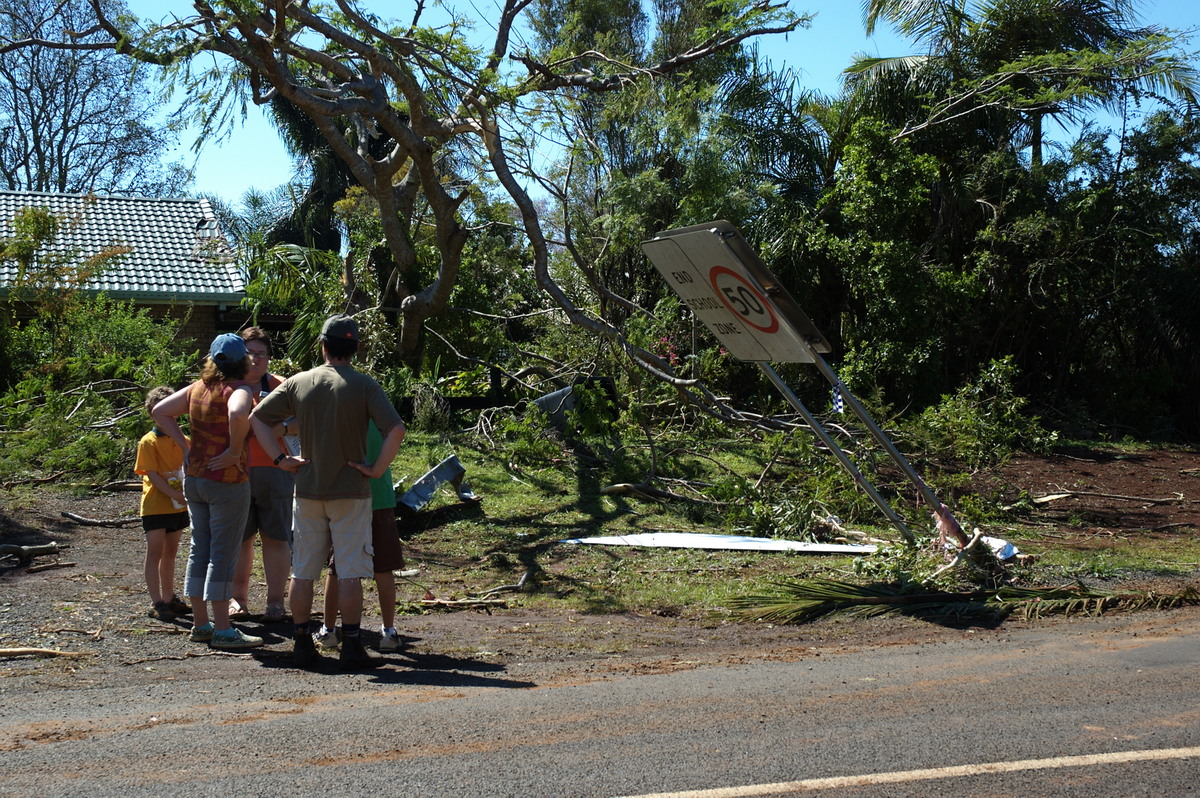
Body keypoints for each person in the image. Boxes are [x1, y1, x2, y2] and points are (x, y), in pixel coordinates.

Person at [250, 313, 405, 669]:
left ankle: (303, 642)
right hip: (352, 492)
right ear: (355, 348)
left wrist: (280, 458)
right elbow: (395, 428)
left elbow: (258, 418)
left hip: (307, 489)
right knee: (350, 571)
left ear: (323, 347)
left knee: (303, 571)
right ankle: (352, 644)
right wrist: (376, 469)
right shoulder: (365, 385)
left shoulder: (299, 382)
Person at [153, 333, 263, 650]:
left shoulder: (198, 389)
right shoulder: (238, 389)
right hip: (228, 482)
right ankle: (224, 629)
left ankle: (201, 625)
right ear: (242, 360)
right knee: (222, 554)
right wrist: (233, 449)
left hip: (196, 480)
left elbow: (160, 411)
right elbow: (239, 413)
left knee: (200, 549)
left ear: (213, 360)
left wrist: (185, 445)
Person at [315, 420, 413, 653]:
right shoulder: (380, 413)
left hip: (345, 498)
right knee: (383, 568)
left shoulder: (337, 413)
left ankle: (328, 631)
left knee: (338, 567)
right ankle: (388, 633)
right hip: (378, 498)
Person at [230, 327, 294, 622]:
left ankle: (275, 603)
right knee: (240, 540)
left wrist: (277, 430)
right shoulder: (226, 386)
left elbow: (304, 423)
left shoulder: (284, 387)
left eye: (261, 354)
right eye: (249, 353)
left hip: (276, 471)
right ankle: (238, 599)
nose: (254, 359)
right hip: (235, 474)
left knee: (276, 538)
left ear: (269, 357)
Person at [135, 386, 191, 622]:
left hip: (178, 506)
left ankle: (169, 598)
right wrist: (175, 494)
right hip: (156, 507)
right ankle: (157, 601)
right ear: (152, 414)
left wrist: (183, 495)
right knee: (155, 552)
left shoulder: (184, 440)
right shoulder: (148, 442)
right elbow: (153, 475)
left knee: (171, 552)